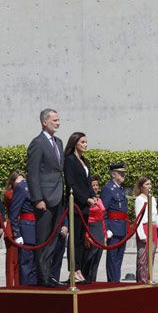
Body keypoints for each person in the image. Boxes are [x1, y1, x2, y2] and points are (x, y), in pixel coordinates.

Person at [26, 108, 67, 287]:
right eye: (55, 120)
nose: (58, 123)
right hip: (44, 199)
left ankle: (49, 275)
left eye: (58, 120)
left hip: (58, 196)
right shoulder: (37, 143)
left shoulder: (59, 142)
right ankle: (42, 278)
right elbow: (32, 173)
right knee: (43, 240)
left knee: (54, 240)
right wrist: (37, 198)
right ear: (44, 122)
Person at [63, 131, 97, 283]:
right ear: (75, 143)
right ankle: (73, 270)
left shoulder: (86, 161)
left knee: (82, 239)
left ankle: (79, 269)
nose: (85, 145)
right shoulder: (69, 161)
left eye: (86, 142)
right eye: (82, 142)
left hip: (85, 206)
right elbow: (72, 184)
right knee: (74, 238)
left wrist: (93, 196)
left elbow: (88, 182)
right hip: (76, 204)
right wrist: (85, 198)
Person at [101, 162, 129, 282]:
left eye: (123, 173)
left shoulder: (121, 189)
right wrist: (107, 228)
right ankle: (112, 282)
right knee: (112, 258)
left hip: (122, 227)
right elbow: (104, 211)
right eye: (121, 173)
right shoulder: (108, 189)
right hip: (113, 227)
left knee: (119, 257)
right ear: (113, 175)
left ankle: (116, 280)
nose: (123, 175)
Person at [8, 172, 37, 285]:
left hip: (37, 229)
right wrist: (17, 234)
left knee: (35, 265)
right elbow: (14, 212)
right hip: (27, 228)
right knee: (26, 265)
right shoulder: (22, 187)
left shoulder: (38, 186)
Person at [133, 176, 158, 284]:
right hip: (144, 227)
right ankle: (141, 279)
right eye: (146, 184)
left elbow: (156, 215)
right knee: (143, 257)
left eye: (150, 184)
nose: (149, 186)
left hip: (153, 227)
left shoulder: (152, 198)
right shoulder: (139, 199)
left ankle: (149, 277)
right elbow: (139, 217)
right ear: (141, 187)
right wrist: (141, 234)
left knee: (151, 255)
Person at [84, 176, 112, 283]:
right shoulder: (88, 200)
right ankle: (86, 277)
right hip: (91, 227)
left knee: (98, 255)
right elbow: (85, 218)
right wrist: (86, 235)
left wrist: (104, 234)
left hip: (100, 227)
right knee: (91, 254)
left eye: (96, 185)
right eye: (93, 185)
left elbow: (102, 218)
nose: (95, 187)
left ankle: (93, 278)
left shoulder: (99, 199)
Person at [4, 172, 20, 287]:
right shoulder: (9, 193)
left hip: (21, 227)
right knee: (11, 263)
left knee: (19, 263)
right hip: (11, 230)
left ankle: (19, 286)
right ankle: (10, 287)